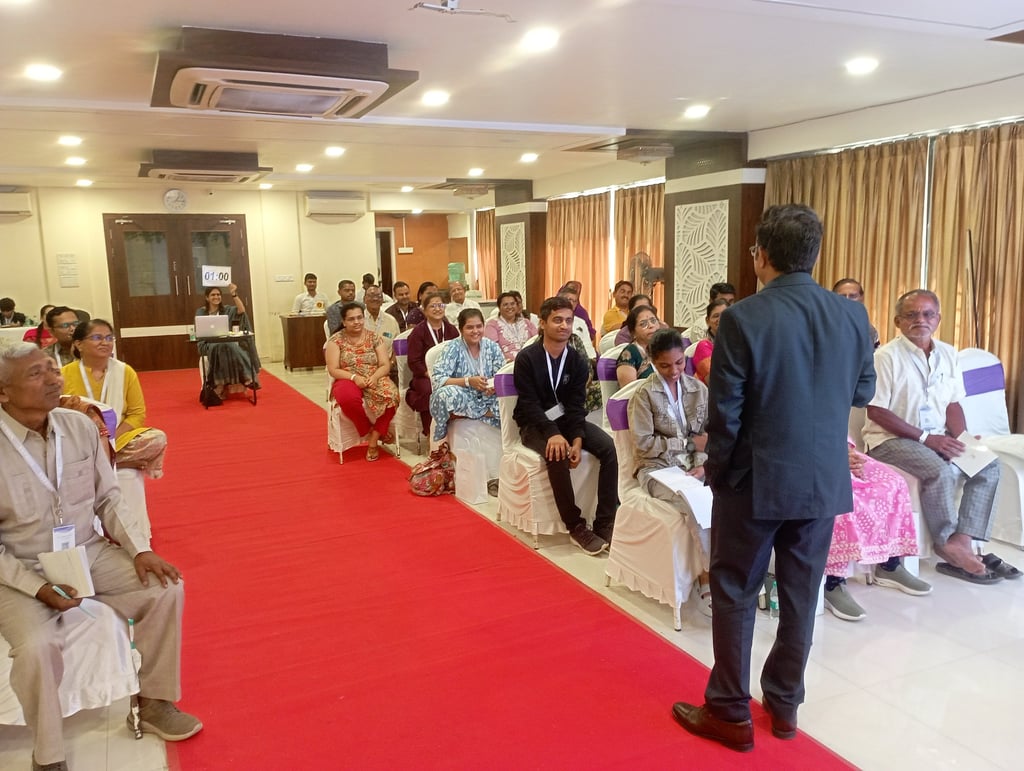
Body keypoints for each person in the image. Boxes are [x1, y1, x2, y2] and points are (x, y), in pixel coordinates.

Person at [671, 204, 875, 752]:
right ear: (815, 254)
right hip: (822, 478)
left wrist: (718, 473)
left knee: (735, 590)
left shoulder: (743, 317)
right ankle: (785, 705)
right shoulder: (853, 316)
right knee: (801, 592)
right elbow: (862, 392)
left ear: (761, 255)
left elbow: (726, 412)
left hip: (755, 479)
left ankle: (729, 710)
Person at [0, 342, 201, 771]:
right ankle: (48, 755)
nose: (53, 379)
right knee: (36, 646)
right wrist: (38, 587)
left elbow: (108, 498)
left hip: (85, 550)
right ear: (3, 392)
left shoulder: (78, 426)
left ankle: (154, 701)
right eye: (36, 374)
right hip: (18, 566)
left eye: (52, 369)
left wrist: (140, 549)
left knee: (165, 589)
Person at [862, 289, 1018, 583]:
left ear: (938, 319)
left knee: (988, 466)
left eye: (927, 314)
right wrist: (926, 439)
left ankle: (963, 540)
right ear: (897, 321)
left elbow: (952, 403)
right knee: (940, 471)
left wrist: (963, 438)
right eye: (911, 314)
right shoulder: (885, 358)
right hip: (889, 441)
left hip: (937, 436)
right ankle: (946, 543)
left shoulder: (948, 353)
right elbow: (876, 411)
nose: (920, 320)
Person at [512, 296, 618, 555]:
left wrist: (578, 439)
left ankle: (605, 522)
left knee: (608, 447)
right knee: (556, 453)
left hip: (567, 421)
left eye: (568, 321)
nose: (564, 326)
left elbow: (575, 406)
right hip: (533, 423)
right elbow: (529, 404)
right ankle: (575, 526)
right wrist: (553, 434)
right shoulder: (527, 358)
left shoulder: (577, 361)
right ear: (543, 323)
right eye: (557, 320)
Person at [628, 328, 713, 616]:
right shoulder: (643, 395)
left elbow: (710, 436)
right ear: (652, 361)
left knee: (730, 492)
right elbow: (643, 445)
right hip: (656, 468)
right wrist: (686, 445)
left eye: (679, 363)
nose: (674, 371)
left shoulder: (698, 389)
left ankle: (738, 568)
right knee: (695, 503)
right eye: (665, 365)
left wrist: (704, 463)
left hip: (695, 462)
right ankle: (709, 576)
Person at [823, 440, 930, 621]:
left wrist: (847, 452)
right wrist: (835, 457)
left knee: (894, 483)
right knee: (846, 497)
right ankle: (833, 582)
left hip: (838, 449)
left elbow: (838, 428)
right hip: (815, 457)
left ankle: (889, 565)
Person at [60, 319, 168, 479]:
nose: (105, 342)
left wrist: (109, 437)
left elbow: (137, 414)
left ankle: (98, 461)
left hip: (117, 438)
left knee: (156, 439)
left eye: (109, 338)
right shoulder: (63, 374)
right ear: (79, 344)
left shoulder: (125, 371)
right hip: (79, 439)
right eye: (97, 338)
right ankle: (118, 462)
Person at [325, 302, 399, 462]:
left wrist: (375, 377)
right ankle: (368, 430)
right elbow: (333, 369)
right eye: (351, 319)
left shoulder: (374, 338)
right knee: (348, 399)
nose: (356, 322)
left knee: (392, 396)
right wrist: (354, 378)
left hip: (373, 376)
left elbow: (385, 364)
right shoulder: (335, 341)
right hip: (347, 377)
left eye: (359, 317)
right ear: (344, 322)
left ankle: (373, 440)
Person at [429, 308, 505, 442]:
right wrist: (468, 381)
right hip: (464, 395)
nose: (475, 331)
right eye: (470, 327)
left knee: (514, 396)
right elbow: (438, 379)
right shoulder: (452, 348)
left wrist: (493, 387)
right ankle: (484, 413)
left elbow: (500, 375)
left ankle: (474, 413)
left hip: (488, 396)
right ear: (461, 329)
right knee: (443, 394)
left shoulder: (492, 347)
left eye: (479, 326)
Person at [405, 290, 458, 435]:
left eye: (440, 305)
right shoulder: (418, 332)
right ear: (424, 310)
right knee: (429, 390)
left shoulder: (452, 330)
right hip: (425, 376)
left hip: (449, 375)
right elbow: (414, 361)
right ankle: (431, 433)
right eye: (433, 306)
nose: (437, 309)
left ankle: (455, 433)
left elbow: (459, 354)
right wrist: (429, 374)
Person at [196, 284, 261, 393]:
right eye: (213, 295)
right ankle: (247, 377)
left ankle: (221, 384)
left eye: (218, 294)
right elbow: (199, 330)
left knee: (228, 345)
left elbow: (241, 310)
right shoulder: (201, 312)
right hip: (207, 344)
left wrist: (234, 294)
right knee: (227, 346)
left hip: (225, 342)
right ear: (207, 298)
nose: (216, 297)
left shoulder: (226, 309)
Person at [484, 291, 537, 361]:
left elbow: (537, 340)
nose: (509, 307)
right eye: (505, 304)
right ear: (499, 307)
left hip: (530, 360)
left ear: (517, 306)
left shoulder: (527, 322)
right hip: (507, 363)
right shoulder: (492, 325)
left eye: (512, 304)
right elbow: (492, 349)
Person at [615, 304, 660, 388]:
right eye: (643, 324)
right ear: (633, 333)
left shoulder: (665, 348)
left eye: (653, 321)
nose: (651, 326)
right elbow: (629, 391)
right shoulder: (629, 353)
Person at [833, 278, 880, 348]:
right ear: (833, 298)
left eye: (853, 296)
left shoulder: (870, 331)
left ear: (862, 298)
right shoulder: (822, 326)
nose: (847, 299)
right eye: (842, 296)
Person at [692, 298, 729, 385]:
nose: (720, 319)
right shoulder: (704, 346)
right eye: (716, 316)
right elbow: (715, 382)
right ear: (707, 321)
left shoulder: (736, 344)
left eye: (725, 315)